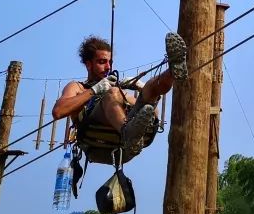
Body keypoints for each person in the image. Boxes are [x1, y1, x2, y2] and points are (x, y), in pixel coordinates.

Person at [53, 32, 187, 156]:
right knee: (113, 93)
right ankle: (128, 133)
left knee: (150, 88)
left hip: (127, 142)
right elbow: (58, 111)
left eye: (109, 62)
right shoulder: (77, 87)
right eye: (102, 62)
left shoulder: (116, 90)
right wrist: (94, 90)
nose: (108, 67)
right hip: (95, 139)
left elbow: (154, 113)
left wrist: (140, 88)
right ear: (88, 65)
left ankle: (172, 71)